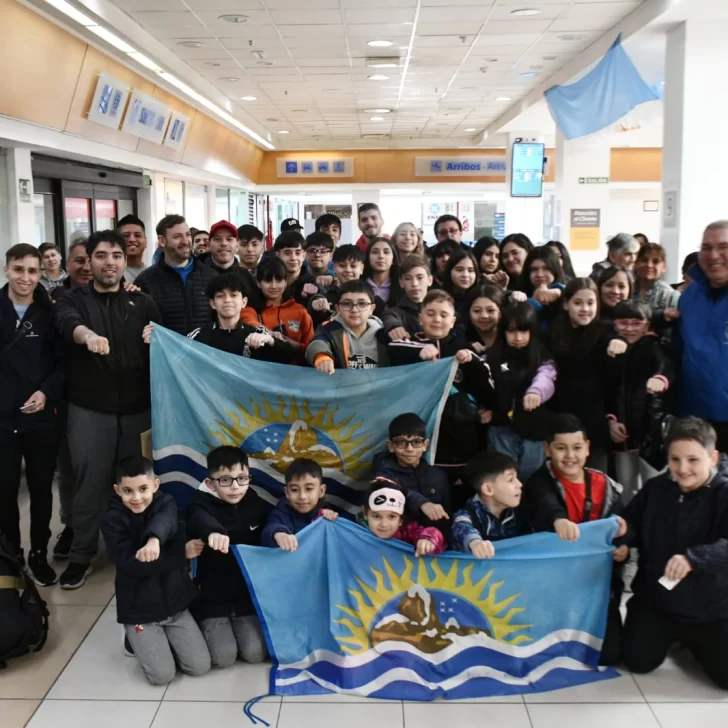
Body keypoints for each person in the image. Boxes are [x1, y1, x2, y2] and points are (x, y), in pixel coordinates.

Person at [54, 230, 161, 589]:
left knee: (137, 485)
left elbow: (159, 348)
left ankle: (134, 550)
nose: (110, 262)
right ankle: (82, 555)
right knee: (90, 485)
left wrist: (155, 339)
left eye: (116, 255)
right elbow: (70, 326)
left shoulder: (143, 301)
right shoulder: (71, 299)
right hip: (89, 410)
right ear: (89, 261)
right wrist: (88, 337)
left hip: (138, 410)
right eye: (101, 256)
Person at [620, 417, 728, 689]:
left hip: (712, 609)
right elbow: (630, 519)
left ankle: (694, 643)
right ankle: (674, 639)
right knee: (638, 662)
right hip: (658, 602)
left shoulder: (724, 494)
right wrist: (623, 537)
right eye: (674, 459)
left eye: (693, 460)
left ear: (713, 457)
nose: (682, 469)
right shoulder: (656, 488)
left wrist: (693, 558)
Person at [522, 414, 627, 665]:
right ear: (547, 449)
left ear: (588, 448)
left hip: (596, 584)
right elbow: (544, 503)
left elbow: (625, 525)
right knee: (541, 653)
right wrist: (558, 519)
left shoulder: (606, 484)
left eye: (577, 448)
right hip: (551, 584)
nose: (570, 456)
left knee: (610, 655)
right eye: (560, 448)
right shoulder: (537, 483)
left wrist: (623, 547)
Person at [101, 456, 211, 685]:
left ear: (155, 485)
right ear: (117, 490)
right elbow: (130, 565)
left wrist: (154, 540)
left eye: (143, 489)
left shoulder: (167, 504)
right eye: (127, 491)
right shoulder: (112, 519)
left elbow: (166, 521)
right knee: (162, 676)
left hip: (175, 605)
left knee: (199, 667)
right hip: (139, 610)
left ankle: (161, 642)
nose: (136, 497)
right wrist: (180, 553)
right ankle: (133, 638)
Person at [0, 244, 64, 586]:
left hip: (40, 418)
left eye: (32, 271)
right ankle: (11, 555)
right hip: (3, 419)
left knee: (41, 488)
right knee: (5, 489)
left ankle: (39, 553)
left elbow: (61, 364)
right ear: (6, 269)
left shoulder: (50, 312)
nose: (25, 277)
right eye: (19, 269)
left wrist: (45, 393)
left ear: (41, 274)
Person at [186, 446, 272, 668]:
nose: (235, 486)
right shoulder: (199, 504)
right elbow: (198, 518)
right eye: (225, 480)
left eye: (241, 478)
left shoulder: (255, 503)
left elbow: (278, 519)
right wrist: (213, 533)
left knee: (255, 653)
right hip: (211, 599)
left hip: (245, 597)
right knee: (224, 658)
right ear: (210, 483)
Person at [545, 278, 627, 471]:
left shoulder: (604, 332)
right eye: (578, 302)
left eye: (590, 303)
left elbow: (614, 380)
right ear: (566, 304)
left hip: (595, 424)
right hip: (561, 418)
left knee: (595, 478)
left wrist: (619, 343)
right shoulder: (553, 334)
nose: (585, 309)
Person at [481, 302, 556, 481]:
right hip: (500, 427)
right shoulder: (490, 358)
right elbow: (481, 385)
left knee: (533, 478)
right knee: (504, 476)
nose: (518, 337)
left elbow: (546, 378)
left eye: (523, 331)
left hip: (534, 430)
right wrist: (482, 409)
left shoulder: (542, 358)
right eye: (512, 331)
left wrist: (535, 393)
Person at [609, 301, 673, 500]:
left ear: (647, 325)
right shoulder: (613, 351)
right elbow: (607, 389)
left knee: (655, 487)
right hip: (621, 433)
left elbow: (666, 365)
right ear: (615, 325)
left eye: (636, 323)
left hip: (650, 433)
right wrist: (610, 420)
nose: (629, 328)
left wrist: (660, 378)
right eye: (623, 323)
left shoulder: (654, 346)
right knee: (625, 489)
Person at [675, 221, 728, 451]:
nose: (714, 255)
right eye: (706, 247)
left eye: (723, 246)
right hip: (694, 416)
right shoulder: (689, 296)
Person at [135, 215, 217, 335]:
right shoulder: (146, 281)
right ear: (162, 241)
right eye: (177, 236)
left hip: (205, 352)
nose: (185, 241)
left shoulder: (211, 276)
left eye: (188, 235)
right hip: (166, 352)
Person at [187, 273, 294, 362]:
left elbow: (289, 356)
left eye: (233, 295)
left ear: (244, 302)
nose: (227, 300)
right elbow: (179, 361)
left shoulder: (258, 334)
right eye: (220, 296)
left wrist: (270, 340)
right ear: (212, 303)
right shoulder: (199, 336)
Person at [372, 413, 450, 529]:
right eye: (401, 442)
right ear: (391, 446)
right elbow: (394, 488)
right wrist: (422, 503)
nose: (409, 449)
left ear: (425, 445)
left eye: (417, 442)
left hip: (431, 542)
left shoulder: (438, 476)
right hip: (394, 540)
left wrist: (434, 539)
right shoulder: (383, 473)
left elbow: (447, 518)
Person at [241, 257, 314, 363]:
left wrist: (288, 343)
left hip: (296, 374)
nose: (274, 286)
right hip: (261, 372)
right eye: (268, 280)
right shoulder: (250, 309)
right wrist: (270, 335)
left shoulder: (300, 311)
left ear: (286, 282)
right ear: (258, 283)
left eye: (279, 280)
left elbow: (311, 349)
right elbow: (250, 323)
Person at [451, 452, 524, 557]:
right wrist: (475, 543)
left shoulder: (520, 512)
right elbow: (462, 527)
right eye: (510, 480)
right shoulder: (467, 515)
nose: (520, 484)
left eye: (517, 478)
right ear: (488, 489)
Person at [306, 280, 388, 372]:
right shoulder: (329, 329)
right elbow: (317, 343)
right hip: (340, 385)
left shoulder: (384, 333)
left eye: (362, 304)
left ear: (372, 309)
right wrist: (321, 356)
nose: (354, 309)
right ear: (338, 309)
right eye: (347, 304)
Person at [261, 458, 338, 550]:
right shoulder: (281, 514)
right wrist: (278, 534)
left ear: (321, 491)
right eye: (294, 490)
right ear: (287, 493)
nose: (302, 496)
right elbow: (269, 529)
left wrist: (332, 518)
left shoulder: (325, 514)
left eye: (309, 489)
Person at [356, 479, 446, 556]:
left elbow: (435, 533)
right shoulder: (355, 531)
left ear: (401, 519)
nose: (384, 524)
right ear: (365, 513)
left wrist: (428, 539)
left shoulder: (406, 531)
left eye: (392, 516)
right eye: (376, 516)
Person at [308, 244, 366, 327]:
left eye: (353, 266)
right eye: (342, 265)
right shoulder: (326, 298)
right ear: (334, 267)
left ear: (361, 268)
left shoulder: (372, 298)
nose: (348, 270)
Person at [201, 221, 259, 301]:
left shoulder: (246, 277)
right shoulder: (196, 275)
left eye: (229, 239)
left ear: (237, 246)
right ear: (209, 245)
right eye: (217, 239)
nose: (224, 243)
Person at [381, 255, 432, 340]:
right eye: (408, 278)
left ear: (430, 280)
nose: (414, 284)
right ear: (401, 283)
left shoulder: (443, 308)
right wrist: (394, 327)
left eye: (420, 278)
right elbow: (389, 319)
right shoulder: (394, 313)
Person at [517, 246, 566, 327]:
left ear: (555, 270)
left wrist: (561, 292)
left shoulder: (567, 296)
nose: (540, 274)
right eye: (534, 269)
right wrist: (533, 302)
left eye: (546, 268)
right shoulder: (518, 297)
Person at [274, 231, 320, 306]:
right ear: (277, 255)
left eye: (298, 253)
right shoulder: (268, 282)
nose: (293, 258)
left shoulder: (313, 285)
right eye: (287, 253)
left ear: (304, 255)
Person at [634, 243, 680, 314]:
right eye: (644, 260)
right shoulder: (627, 289)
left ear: (664, 267)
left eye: (655, 261)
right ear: (636, 264)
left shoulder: (670, 295)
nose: (649, 265)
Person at [363, 237, 402, 306]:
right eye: (375, 252)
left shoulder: (402, 286)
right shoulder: (359, 285)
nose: (381, 256)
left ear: (393, 259)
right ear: (368, 257)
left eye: (386, 252)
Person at [465, 284, 504, 353]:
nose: (484, 316)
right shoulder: (461, 342)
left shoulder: (511, 340)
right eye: (477, 311)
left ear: (500, 312)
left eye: (490, 310)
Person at [442, 249, 479, 321]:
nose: (465, 275)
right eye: (459, 270)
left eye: (470, 270)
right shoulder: (439, 299)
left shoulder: (481, 298)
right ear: (449, 271)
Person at [117, 214, 148, 283]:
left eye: (137, 235)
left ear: (146, 242)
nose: (132, 240)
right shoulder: (113, 273)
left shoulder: (152, 273)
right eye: (126, 236)